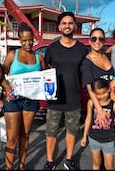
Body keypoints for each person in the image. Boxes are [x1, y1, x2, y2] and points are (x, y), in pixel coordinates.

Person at [81, 27, 115, 169]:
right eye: (94, 39)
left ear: (104, 41)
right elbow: (89, 89)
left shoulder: (109, 55)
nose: (97, 42)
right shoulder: (87, 62)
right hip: (103, 108)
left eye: (101, 39)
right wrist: (99, 110)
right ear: (89, 41)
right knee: (106, 147)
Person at [43, 11, 88, 170]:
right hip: (55, 98)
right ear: (59, 26)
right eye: (64, 23)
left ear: (75, 26)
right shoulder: (51, 49)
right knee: (51, 132)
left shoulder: (83, 49)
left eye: (70, 23)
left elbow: (92, 67)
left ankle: (68, 159)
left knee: (72, 131)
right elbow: (44, 71)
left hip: (74, 99)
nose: (67, 26)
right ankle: (50, 161)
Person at [3, 23, 45, 170]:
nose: (28, 43)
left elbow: (45, 76)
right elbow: (2, 75)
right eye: (24, 40)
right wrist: (6, 88)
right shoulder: (11, 55)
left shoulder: (39, 57)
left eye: (30, 40)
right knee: (11, 139)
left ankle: (21, 164)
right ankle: (9, 167)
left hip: (31, 101)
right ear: (19, 40)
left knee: (25, 134)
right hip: (13, 100)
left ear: (33, 39)